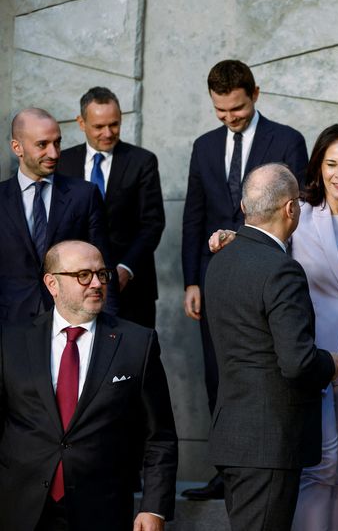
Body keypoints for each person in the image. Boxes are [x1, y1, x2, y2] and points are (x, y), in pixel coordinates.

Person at [210, 124, 338, 529]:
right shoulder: (297, 213)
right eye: (331, 164)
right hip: (308, 351)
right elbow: (260, 247)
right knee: (317, 463)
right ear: (319, 168)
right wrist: (227, 238)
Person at [181, 59, 309, 500]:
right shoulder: (203, 145)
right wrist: (191, 280)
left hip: (264, 272)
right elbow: (193, 213)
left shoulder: (287, 140)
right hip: (215, 278)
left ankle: (266, 463)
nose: (230, 118)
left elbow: (297, 210)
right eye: (221, 111)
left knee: (266, 371)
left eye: (236, 108)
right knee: (218, 372)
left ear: (255, 93)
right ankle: (224, 472)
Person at [0, 240, 178, 531]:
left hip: (102, 507)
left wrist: (154, 507)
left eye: (102, 274)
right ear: (52, 283)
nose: (96, 283)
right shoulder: (11, 341)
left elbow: (159, 436)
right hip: (20, 506)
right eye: (83, 275)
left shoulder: (136, 343)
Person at [204, 164, 338, 531]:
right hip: (268, 440)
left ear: (246, 208)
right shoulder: (281, 269)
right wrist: (331, 363)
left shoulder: (220, 261)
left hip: (233, 435)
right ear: (290, 209)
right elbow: (296, 363)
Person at [57, 86, 166, 329]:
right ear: (81, 122)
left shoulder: (142, 161)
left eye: (114, 124)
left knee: (134, 361)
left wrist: (126, 268)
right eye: (98, 126)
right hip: (76, 287)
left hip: (132, 287)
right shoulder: (63, 163)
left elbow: (152, 223)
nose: (108, 132)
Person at [1, 108, 109, 324]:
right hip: (9, 325)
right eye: (42, 145)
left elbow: (103, 265)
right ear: (17, 147)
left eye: (57, 143)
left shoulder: (85, 195)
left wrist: (110, 325)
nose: (54, 153)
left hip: (71, 322)